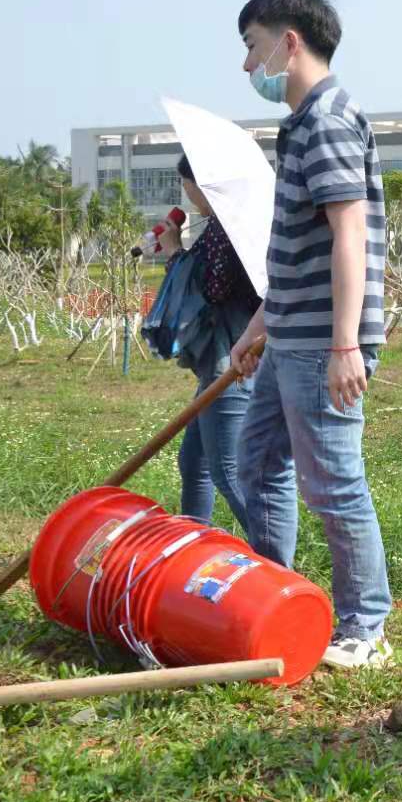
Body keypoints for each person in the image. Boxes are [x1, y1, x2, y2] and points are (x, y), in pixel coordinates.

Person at [228, 0, 394, 670]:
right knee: (256, 460)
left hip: (323, 342)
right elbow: (300, 251)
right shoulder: (300, 123)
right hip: (291, 335)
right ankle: (278, 593)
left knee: (333, 482)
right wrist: (258, 326)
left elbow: (348, 234)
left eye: (252, 46)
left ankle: (364, 627)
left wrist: (345, 344)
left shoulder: (326, 119)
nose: (247, 66)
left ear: (289, 42)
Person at [155, 156, 288, 530]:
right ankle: (192, 545)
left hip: (231, 359)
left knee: (229, 473)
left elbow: (211, 290)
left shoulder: (226, 228)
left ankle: (277, 566)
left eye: (187, 184)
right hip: (225, 355)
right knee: (194, 462)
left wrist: (174, 252)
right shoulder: (233, 223)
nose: (188, 194)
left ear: (202, 183)